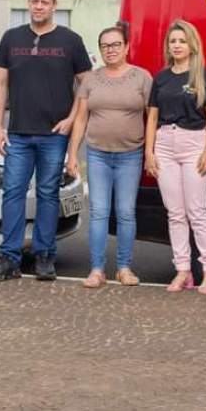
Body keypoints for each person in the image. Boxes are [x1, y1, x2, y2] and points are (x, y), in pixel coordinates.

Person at [0, 0, 92, 283]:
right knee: (13, 193)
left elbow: (88, 82)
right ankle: (9, 259)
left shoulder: (70, 40)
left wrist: (71, 118)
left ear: (54, 6)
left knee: (47, 194)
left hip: (54, 135)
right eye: (34, 1)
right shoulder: (11, 38)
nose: (38, 6)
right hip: (18, 133)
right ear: (28, 3)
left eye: (45, 2)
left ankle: (45, 257)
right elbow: (0, 83)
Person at [66, 26, 151, 288]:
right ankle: (97, 269)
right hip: (98, 155)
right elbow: (81, 119)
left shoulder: (142, 78)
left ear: (126, 47)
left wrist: (150, 152)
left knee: (125, 213)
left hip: (131, 155)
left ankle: (124, 268)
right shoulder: (90, 80)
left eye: (115, 45)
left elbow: (152, 118)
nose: (110, 50)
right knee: (99, 212)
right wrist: (72, 155)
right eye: (105, 46)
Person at [145, 20, 206, 294]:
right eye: (172, 41)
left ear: (191, 45)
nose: (176, 45)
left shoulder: (203, 75)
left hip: (194, 143)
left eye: (181, 41)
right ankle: (183, 271)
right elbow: (152, 115)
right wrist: (149, 153)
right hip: (165, 143)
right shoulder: (161, 78)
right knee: (175, 213)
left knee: (197, 211)